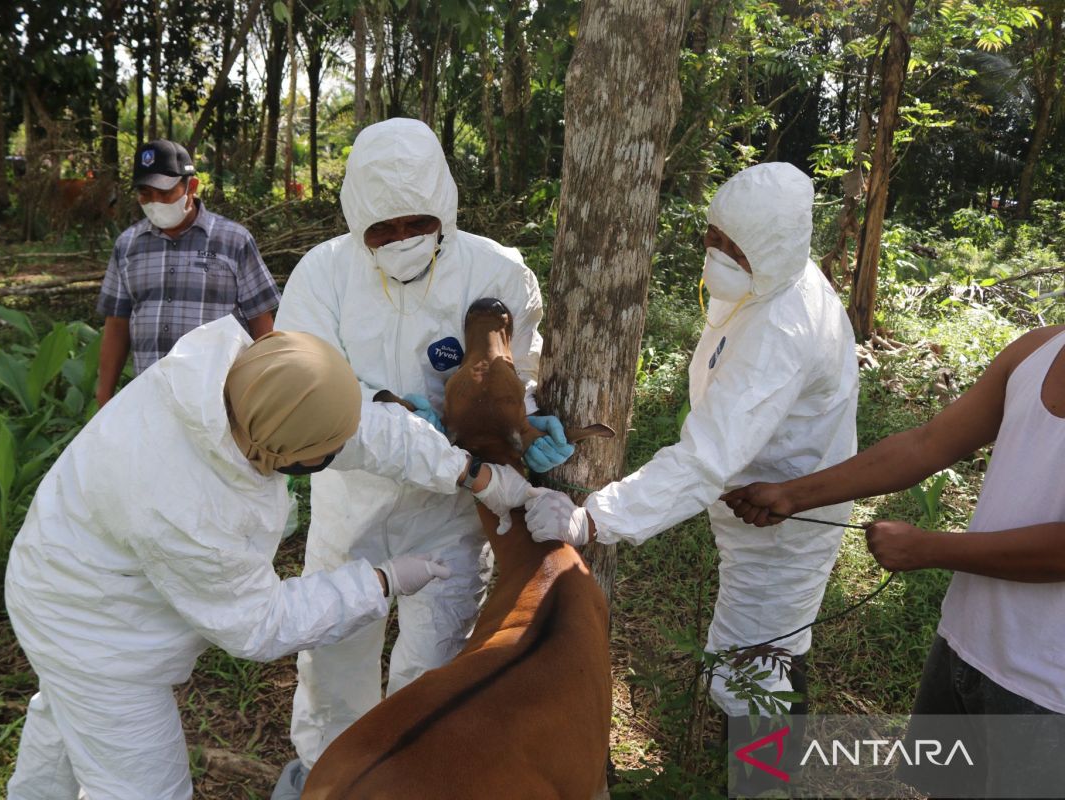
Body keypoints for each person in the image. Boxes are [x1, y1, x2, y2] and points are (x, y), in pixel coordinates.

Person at [4, 318, 532, 800]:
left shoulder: (248, 384)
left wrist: (468, 473)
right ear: (281, 450)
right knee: (139, 786)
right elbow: (256, 623)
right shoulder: (191, 508)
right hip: (92, 628)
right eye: (316, 457)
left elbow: (353, 427)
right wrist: (378, 581)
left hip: (60, 561)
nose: (328, 456)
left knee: (66, 722)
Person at [270, 117, 572, 797]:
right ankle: (325, 779)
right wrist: (407, 418)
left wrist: (520, 417)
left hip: (450, 514)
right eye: (382, 230)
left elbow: (515, 373)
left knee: (430, 666)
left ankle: (406, 783)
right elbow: (317, 400)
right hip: (351, 508)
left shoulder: (497, 271)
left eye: (417, 223)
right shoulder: (322, 276)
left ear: (445, 206)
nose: (402, 240)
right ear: (356, 224)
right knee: (333, 663)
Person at [525, 162, 859, 725]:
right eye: (715, 235)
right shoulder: (770, 283)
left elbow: (706, 457)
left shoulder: (784, 327)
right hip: (753, 494)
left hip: (787, 517)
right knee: (746, 647)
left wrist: (593, 519)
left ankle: (765, 784)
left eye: (738, 247)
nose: (719, 252)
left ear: (776, 250)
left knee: (762, 659)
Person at [723, 324, 1065, 797]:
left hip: (1050, 693)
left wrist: (929, 549)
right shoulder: (1039, 349)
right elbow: (927, 444)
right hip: (969, 645)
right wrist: (791, 495)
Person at [95, 138, 280, 407]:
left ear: (190, 186)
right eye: (145, 193)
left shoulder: (233, 241)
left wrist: (267, 392)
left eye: (165, 192)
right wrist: (105, 396)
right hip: (151, 401)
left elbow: (261, 324)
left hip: (220, 401)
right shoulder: (127, 246)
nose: (155, 202)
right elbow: (117, 325)